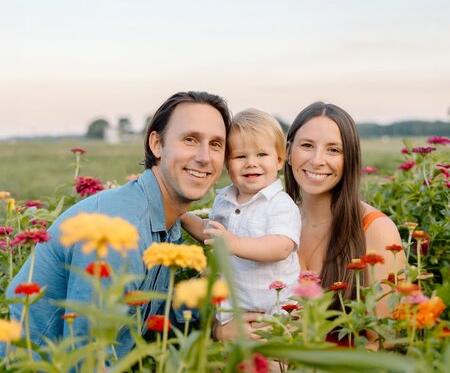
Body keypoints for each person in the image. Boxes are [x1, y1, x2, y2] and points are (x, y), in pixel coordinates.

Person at [3, 91, 232, 358]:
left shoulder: (165, 222)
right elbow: (86, 358)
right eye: (190, 139)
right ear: (157, 144)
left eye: (216, 144)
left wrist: (213, 318)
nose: (205, 157)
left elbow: (137, 328)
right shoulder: (120, 233)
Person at [218, 102, 406, 343]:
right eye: (307, 146)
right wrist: (220, 330)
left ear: (349, 158)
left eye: (333, 150)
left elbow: (385, 342)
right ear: (286, 153)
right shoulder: (268, 222)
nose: (317, 160)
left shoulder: (376, 230)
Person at [181, 108, 301, 329]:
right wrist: (183, 217)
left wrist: (235, 244)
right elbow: (212, 232)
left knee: (274, 360)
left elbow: (281, 246)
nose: (251, 163)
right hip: (232, 308)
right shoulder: (224, 200)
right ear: (227, 164)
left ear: (279, 160)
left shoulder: (280, 204)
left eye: (261, 155)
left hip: (276, 309)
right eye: (240, 156)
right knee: (230, 359)